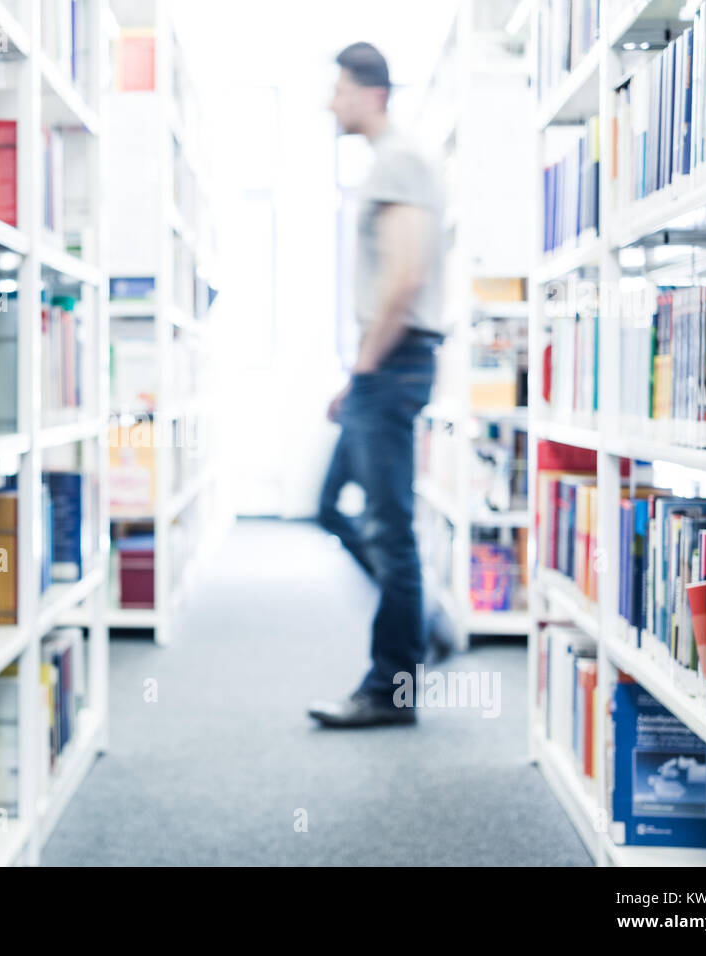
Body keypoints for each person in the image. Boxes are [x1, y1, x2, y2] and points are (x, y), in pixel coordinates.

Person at [308, 42, 451, 729]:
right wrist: (354, 375)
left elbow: (405, 281)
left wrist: (365, 370)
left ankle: (391, 688)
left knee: (390, 530)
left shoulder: (400, 161)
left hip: (392, 368)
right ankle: (423, 623)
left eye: (338, 89)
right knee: (330, 504)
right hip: (378, 367)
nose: (330, 102)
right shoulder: (388, 164)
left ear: (371, 92)